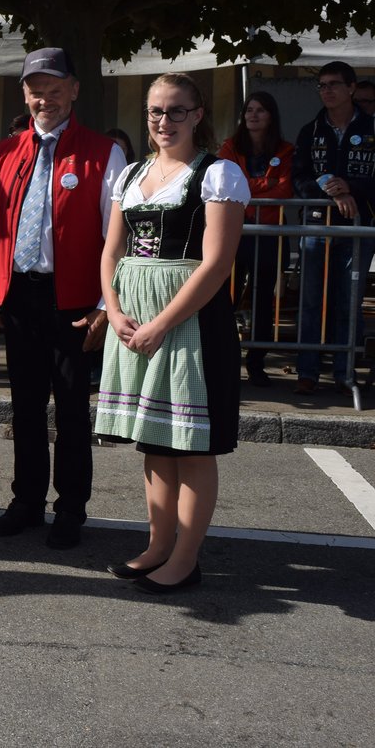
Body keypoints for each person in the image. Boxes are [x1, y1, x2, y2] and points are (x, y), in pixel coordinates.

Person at [96, 73, 249, 594]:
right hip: (134, 315)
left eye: (176, 111)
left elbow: (216, 263)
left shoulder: (216, 174)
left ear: (198, 114)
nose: (164, 121)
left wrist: (162, 322)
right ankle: (158, 545)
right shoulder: (132, 173)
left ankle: (185, 558)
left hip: (189, 321)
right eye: (156, 111)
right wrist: (114, 312)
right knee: (155, 441)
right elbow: (111, 252)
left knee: (190, 445)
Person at [0, 47, 126, 550]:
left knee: (73, 410)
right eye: (35, 90)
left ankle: (71, 509)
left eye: (55, 88)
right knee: (26, 407)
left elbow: (114, 239)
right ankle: (27, 501)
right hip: (20, 297)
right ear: (24, 94)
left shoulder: (104, 152)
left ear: (74, 90)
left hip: (76, 303)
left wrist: (106, 307)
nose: (45, 98)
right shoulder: (5, 150)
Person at [290, 61, 375, 395]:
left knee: (348, 301)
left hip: (359, 227)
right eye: (322, 85)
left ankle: (345, 371)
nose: (326, 90)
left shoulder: (371, 127)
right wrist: (326, 186)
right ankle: (306, 372)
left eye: (334, 84)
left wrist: (350, 187)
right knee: (311, 300)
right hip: (316, 225)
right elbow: (298, 178)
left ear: (352, 88)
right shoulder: (310, 130)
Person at [217, 92, 294, 387]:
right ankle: (223, 359)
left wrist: (246, 189)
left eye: (260, 110)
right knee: (226, 299)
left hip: (270, 234)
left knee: (264, 302)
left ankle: (257, 364)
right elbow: (225, 183)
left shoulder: (286, 150)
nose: (253, 115)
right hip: (235, 232)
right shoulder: (230, 147)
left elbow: (284, 191)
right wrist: (265, 185)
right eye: (249, 109)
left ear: (271, 115)